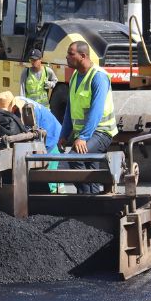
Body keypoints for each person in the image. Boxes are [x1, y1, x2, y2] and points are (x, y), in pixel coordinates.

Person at [59, 41, 116, 195]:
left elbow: (96, 111)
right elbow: (69, 111)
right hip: (85, 134)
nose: (67, 57)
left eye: (71, 54)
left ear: (83, 56)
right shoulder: (75, 77)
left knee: (75, 157)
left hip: (101, 132)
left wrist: (83, 137)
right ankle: (94, 201)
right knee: (91, 170)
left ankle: (85, 198)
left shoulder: (98, 77)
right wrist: (63, 135)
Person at [0, 92, 65, 193]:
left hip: (52, 136)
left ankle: (56, 204)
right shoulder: (20, 101)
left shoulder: (26, 110)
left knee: (49, 177)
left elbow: (30, 134)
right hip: (50, 133)